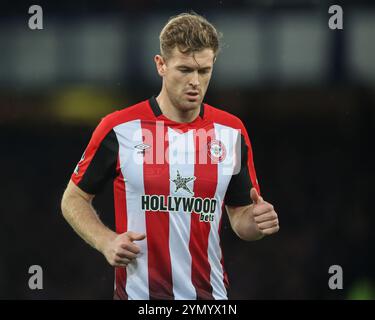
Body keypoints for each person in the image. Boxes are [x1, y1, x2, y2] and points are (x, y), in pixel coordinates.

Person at [61, 12, 279, 300]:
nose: (195, 82)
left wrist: (258, 223)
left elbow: (240, 218)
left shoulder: (231, 132)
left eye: (204, 71)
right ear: (161, 65)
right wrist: (106, 241)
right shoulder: (119, 128)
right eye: (185, 70)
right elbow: (73, 199)